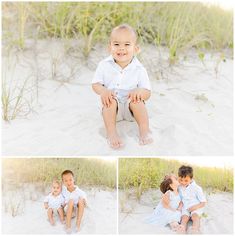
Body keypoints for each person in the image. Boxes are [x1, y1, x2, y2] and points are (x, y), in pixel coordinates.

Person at [92, 24, 153, 149]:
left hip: (131, 109)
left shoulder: (139, 69)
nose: (121, 48)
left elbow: (147, 93)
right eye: (116, 44)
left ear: (136, 49)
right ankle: (111, 133)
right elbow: (95, 84)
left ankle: (144, 130)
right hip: (114, 109)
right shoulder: (104, 65)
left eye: (127, 44)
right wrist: (103, 91)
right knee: (109, 102)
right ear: (110, 47)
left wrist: (140, 92)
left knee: (138, 102)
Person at [178, 165, 207, 233]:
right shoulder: (179, 187)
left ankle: (195, 229)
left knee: (195, 217)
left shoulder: (197, 188)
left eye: (186, 180)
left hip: (195, 206)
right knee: (184, 218)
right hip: (185, 207)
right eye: (181, 180)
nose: (183, 182)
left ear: (191, 179)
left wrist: (195, 207)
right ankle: (182, 229)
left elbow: (203, 202)